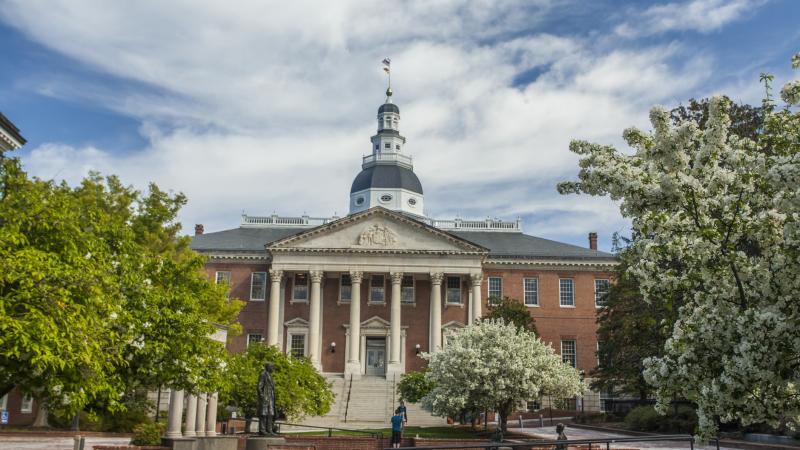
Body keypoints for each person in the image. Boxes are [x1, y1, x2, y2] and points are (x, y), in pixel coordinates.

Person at [257, 362, 277, 436]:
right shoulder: (263, 374)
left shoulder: (270, 376)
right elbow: (259, 387)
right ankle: (262, 430)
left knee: (270, 414)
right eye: (272, 367)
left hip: (270, 398)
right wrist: (262, 396)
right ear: (268, 367)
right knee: (264, 414)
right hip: (265, 397)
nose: (273, 368)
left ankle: (269, 430)